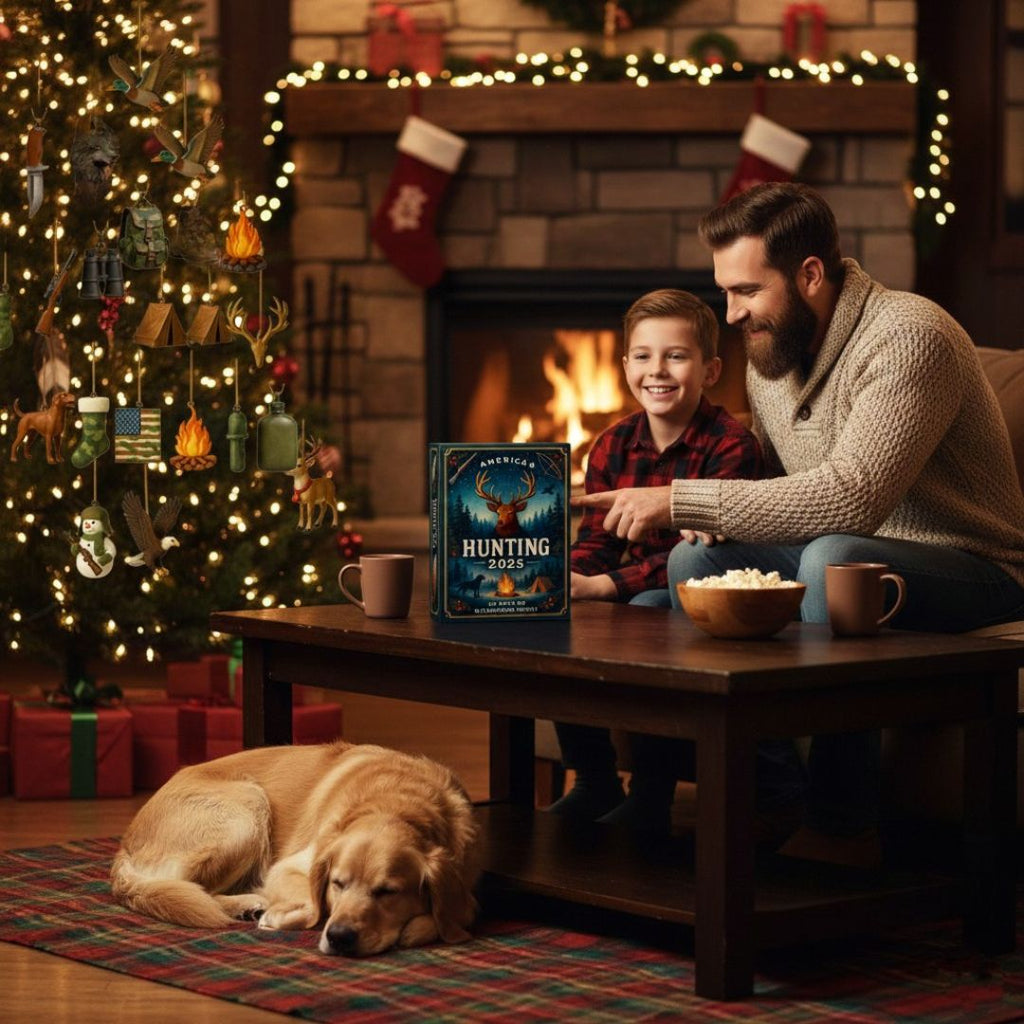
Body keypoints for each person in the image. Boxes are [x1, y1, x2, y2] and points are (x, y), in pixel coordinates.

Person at [574, 183, 1024, 857]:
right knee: (694, 564)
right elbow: (788, 494)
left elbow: (853, 497)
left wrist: (680, 499)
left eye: (748, 291)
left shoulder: (909, 336)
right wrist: (705, 530)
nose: (731, 314)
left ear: (810, 273)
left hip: (973, 566)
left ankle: (843, 820)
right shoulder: (771, 357)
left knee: (833, 559)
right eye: (725, 291)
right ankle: (768, 786)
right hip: (843, 551)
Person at [552, 287, 786, 835]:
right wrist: (571, 580)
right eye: (643, 355)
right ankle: (592, 780)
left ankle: (651, 793)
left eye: (676, 356)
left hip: (682, 591)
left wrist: (608, 586)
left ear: (709, 370)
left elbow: (705, 557)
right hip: (618, 582)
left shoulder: (732, 446)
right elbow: (596, 541)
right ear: (626, 364)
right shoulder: (609, 447)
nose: (657, 370)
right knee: (561, 617)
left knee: (655, 608)